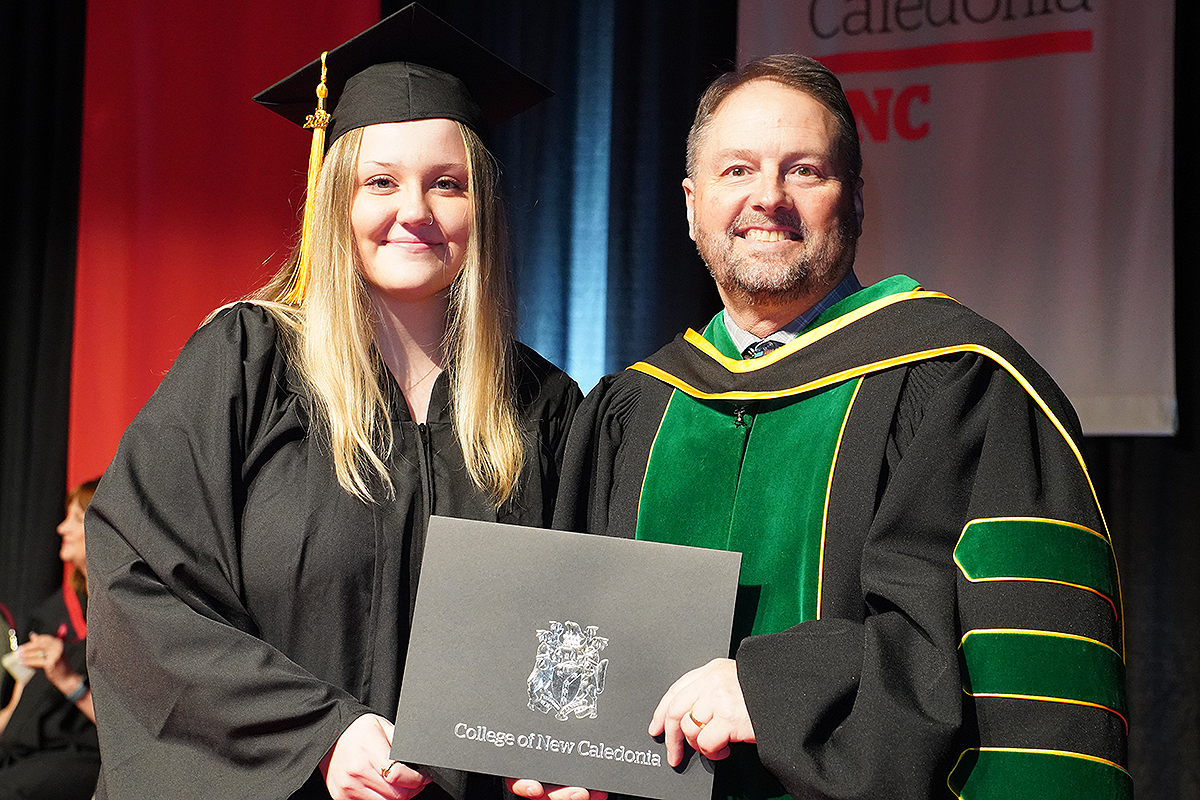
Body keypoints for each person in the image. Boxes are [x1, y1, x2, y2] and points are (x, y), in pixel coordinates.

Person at [553, 55, 1130, 799]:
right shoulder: (633, 407)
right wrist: (562, 756)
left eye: (804, 171)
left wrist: (772, 688)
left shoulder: (957, 381)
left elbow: (991, 659)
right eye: (737, 171)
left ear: (855, 200)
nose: (768, 197)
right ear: (692, 205)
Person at [84, 5, 583, 799]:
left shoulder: (542, 405)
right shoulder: (248, 361)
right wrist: (319, 734)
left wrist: (565, 754)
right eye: (380, 181)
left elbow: (577, 624)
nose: (414, 211)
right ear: (335, 196)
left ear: (480, 204)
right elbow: (140, 580)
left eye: (446, 183)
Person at [0, 479, 101, 800]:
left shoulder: (124, 619)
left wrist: (69, 681)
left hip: (81, 757)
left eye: (76, 518)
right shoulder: (51, 613)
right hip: (20, 753)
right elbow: (15, 707)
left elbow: (132, 731)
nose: (61, 528)